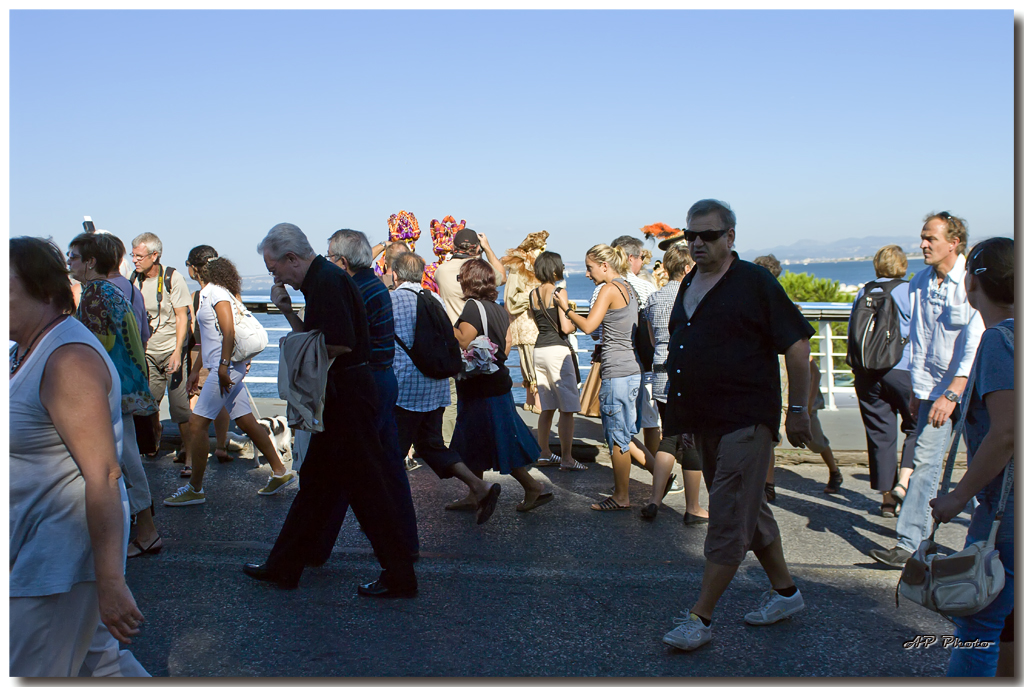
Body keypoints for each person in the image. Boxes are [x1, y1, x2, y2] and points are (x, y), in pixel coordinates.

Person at [659, 199, 815, 651]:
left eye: (708, 235)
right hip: (703, 420)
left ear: (730, 237)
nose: (697, 243)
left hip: (746, 419)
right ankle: (786, 593)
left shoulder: (753, 282)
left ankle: (700, 618)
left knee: (727, 515)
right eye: (691, 235)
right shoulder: (690, 281)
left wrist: (799, 411)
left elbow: (798, 345)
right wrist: (683, 421)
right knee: (749, 510)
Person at [244, 223, 417, 597]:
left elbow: (338, 343)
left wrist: (296, 352)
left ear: (292, 259)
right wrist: (289, 312)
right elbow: (326, 336)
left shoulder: (325, 282)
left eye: (275, 268)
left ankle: (400, 574)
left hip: (347, 398)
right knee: (317, 485)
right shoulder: (326, 279)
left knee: (367, 491)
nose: (276, 276)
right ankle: (284, 566)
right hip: (349, 394)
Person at [10, 237, 146, 677]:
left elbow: (104, 474)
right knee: (103, 669)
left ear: (43, 290)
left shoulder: (68, 360)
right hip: (37, 547)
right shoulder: (23, 350)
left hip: (57, 558)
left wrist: (110, 581)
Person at [869, 212, 984, 568]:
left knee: (985, 466)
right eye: (922, 237)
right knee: (924, 464)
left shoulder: (972, 282)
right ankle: (909, 544)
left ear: (954, 242)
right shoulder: (919, 282)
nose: (923, 245)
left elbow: (975, 337)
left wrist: (955, 389)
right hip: (934, 390)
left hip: (976, 390)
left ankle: (983, 545)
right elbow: (918, 342)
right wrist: (920, 392)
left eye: (930, 239)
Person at [929, 237, 1014, 677]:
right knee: (1010, 622)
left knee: (978, 624)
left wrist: (958, 498)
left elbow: (1005, 433)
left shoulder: (1000, 341)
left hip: (1008, 511)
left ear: (972, 284)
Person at [315, 229, 419, 561]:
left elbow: (339, 341)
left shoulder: (354, 289)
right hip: (384, 379)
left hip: (366, 383)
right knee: (386, 466)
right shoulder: (376, 285)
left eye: (330, 258)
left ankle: (390, 552)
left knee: (348, 471)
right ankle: (405, 543)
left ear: (342, 262)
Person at [163, 250, 296, 505]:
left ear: (195, 268)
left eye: (188, 266)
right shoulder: (212, 293)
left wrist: (223, 368)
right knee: (246, 422)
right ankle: (280, 471)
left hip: (224, 370)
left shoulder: (215, 292)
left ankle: (195, 489)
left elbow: (228, 331)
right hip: (222, 367)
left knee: (197, 424)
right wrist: (194, 371)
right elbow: (209, 339)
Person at [67, 232, 164, 560]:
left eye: (75, 256)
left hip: (110, 390)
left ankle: (146, 531)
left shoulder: (94, 293)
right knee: (123, 457)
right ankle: (137, 528)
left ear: (91, 262)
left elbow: (95, 349)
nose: (70, 262)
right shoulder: (114, 290)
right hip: (126, 385)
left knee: (123, 460)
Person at [388, 251, 501, 522]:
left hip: (405, 389)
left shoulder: (391, 300)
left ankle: (394, 514)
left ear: (394, 274)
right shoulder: (434, 298)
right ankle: (480, 486)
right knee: (431, 445)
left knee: (391, 452)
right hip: (436, 386)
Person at [557, 244, 660, 511]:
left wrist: (566, 310)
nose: (588, 275)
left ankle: (621, 496)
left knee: (617, 437)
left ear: (604, 266)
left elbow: (590, 326)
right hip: (633, 368)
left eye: (589, 268)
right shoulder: (629, 288)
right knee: (625, 432)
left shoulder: (608, 288)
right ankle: (661, 477)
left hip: (616, 371)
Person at [450, 258, 553, 513]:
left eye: (461, 277)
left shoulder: (472, 308)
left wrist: (443, 326)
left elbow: (463, 341)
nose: (459, 282)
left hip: (480, 387)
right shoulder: (497, 309)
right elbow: (506, 344)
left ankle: (531, 486)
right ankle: (476, 493)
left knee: (494, 438)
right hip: (498, 381)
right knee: (482, 439)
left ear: (469, 280)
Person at [642, 242, 708, 522]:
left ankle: (655, 499)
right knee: (691, 440)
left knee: (668, 437)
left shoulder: (654, 298)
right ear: (686, 267)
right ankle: (693, 507)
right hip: (687, 373)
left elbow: (654, 339)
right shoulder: (693, 295)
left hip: (660, 371)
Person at [851, 245, 918, 517]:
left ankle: (887, 500)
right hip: (902, 369)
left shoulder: (863, 291)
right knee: (916, 427)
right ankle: (904, 483)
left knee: (880, 436)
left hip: (867, 374)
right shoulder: (908, 291)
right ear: (903, 265)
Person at [131, 232, 193, 458]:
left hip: (170, 350)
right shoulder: (134, 279)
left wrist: (178, 351)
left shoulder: (171, 278)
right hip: (147, 350)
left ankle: (189, 450)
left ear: (154, 255)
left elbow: (182, 316)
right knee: (149, 401)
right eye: (133, 255)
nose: (135, 260)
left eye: (139, 256)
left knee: (178, 405)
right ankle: (153, 439)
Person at [528, 251, 586, 471]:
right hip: (557, 352)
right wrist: (577, 320)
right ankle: (567, 458)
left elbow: (537, 322)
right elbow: (565, 327)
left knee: (548, 406)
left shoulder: (532, 294)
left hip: (539, 349)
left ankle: (544, 454)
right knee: (568, 408)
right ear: (554, 269)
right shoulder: (559, 291)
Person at [181, 245, 232, 478]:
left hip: (209, 355)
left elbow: (205, 331)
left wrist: (222, 364)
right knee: (228, 407)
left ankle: (192, 471)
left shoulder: (206, 295)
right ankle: (220, 446)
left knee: (197, 415)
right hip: (216, 356)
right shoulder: (226, 291)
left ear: (194, 268)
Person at [610, 235, 661, 456]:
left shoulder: (607, 287)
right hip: (646, 361)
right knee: (650, 420)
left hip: (617, 363)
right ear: (631, 258)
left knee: (618, 423)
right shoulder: (645, 287)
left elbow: (596, 333)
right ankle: (656, 473)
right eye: (641, 257)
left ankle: (622, 479)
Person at [501, 231, 549, 414]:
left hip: (534, 319)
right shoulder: (518, 268)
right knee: (531, 358)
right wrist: (535, 295)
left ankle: (530, 399)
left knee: (532, 357)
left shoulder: (532, 266)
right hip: (525, 320)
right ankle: (538, 401)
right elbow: (511, 298)